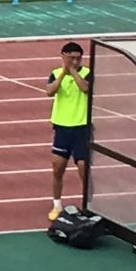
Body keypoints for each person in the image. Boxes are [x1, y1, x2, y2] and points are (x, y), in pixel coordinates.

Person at [44, 41, 91, 220]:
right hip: (62, 128)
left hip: (81, 128)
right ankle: (57, 205)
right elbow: (50, 91)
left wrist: (73, 71)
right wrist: (64, 72)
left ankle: (89, 205)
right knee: (58, 168)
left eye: (78, 58)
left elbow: (85, 88)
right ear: (63, 56)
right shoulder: (56, 73)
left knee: (84, 169)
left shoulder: (87, 73)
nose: (75, 61)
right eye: (71, 58)